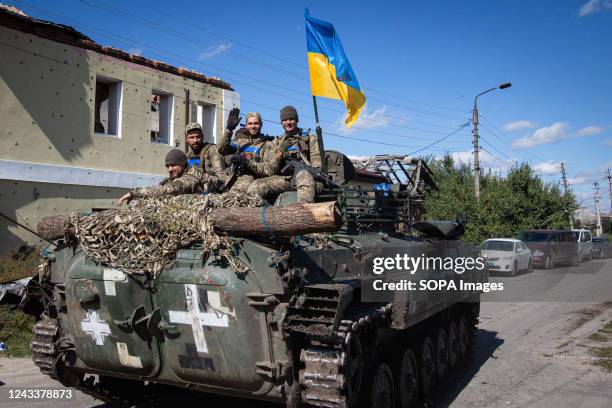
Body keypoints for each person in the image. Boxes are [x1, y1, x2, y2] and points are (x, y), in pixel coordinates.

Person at [218, 109, 289, 198]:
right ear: (246, 125)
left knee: (232, 197)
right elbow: (221, 149)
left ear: (261, 125)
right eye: (250, 123)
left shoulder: (268, 145)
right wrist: (229, 130)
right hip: (231, 176)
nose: (253, 126)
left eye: (256, 123)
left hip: (250, 179)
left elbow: (269, 170)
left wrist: (247, 162)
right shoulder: (240, 142)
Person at [116, 149, 209, 206]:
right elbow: (159, 187)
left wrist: (134, 193)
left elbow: (167, 189)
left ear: (183, 164)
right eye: (167, 166)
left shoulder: (191, 177)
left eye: (173, 165)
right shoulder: (176, 176)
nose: (169, 169)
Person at [276, 105, 323, 203]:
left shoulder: (309, 138)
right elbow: (271, 165)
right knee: (258, 185)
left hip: (304, 175)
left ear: (296, 120)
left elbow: (316, 164)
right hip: (284, 178)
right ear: (281, 122)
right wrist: (280, 152)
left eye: (291, 119)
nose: (288, 122)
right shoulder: (277, 141)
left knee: (304, 175)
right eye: (285, 120)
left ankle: (304, 213)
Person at [184, 122, 226, 188]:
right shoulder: (187, 156)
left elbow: (221, 179)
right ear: (186, 139)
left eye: (198, 137)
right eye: (192, 137)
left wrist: (199, 175)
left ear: (202, 137)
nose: (195, 140)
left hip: (209, 193)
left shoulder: (212, 150)